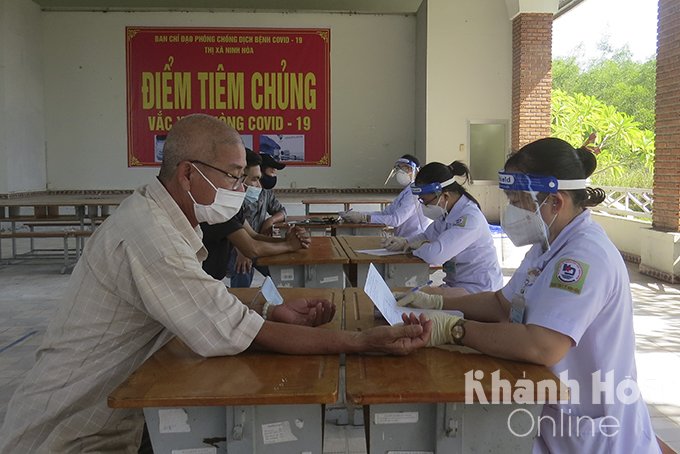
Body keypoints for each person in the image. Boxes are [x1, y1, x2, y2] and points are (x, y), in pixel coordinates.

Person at [0, 114, 432, 453]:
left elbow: (196, 298)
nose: (241, 188)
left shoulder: (159, 219)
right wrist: (360, 343)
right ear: (188, 174)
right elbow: (232, 332)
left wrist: (268, 308)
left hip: (112, 415)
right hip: (71, 430)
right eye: (232, 176)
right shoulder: (149, 237)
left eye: (243, 178)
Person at [399, 137, 660, 453]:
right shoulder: (547, 243)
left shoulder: (584, 257)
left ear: (555, 201)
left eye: (518, 201)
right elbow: (501, 304)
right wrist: (440, 302)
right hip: (549, 410)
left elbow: (542, 345)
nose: (511, 211)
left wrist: (454, 330)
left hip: (593, 432)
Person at [385, 160, 503, 295]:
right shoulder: (447, 213)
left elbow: (435, 255)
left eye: (425, 201)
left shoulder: (469, 219)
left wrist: (415, 247)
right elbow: (427, 236)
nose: (423, 205)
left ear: (445, 195)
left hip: (479, 291)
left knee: (410, 302)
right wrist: (405, 242)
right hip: (456, 286)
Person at [227, 148, 289, 287]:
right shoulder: (233, 198)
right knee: (242, 267)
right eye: (271, 171)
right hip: (236, 248)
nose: (259, 184)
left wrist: (271, 221)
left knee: (279, 270)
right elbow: (232, 229)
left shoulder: (265, 193)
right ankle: (242, 303)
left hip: (255, 244)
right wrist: (242, 250)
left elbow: (281, 211)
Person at [339, 154, 431, 239]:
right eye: (399, 168)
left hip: (414, 239)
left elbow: (396, 220)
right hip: (404, 239)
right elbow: (385, 213)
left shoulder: (414, 192)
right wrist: (359, 214)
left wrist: (365, 218)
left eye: (406, 168)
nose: (401, 172)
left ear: (415, 170)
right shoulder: (408, 190)